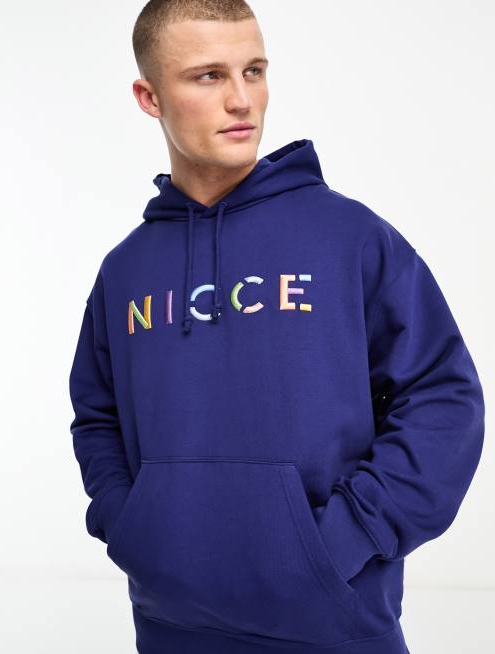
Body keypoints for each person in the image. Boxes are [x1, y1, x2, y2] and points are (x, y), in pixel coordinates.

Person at [68, 2, 485, 653]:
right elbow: (98, 417)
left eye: (254, 71)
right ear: (150, 98)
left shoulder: (349, 238)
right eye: (209, 76)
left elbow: (442, 398)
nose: (241, 99)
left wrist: (342, 541)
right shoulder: (126, 269)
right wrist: (134, 530)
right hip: (171, 626)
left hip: (333, 626)